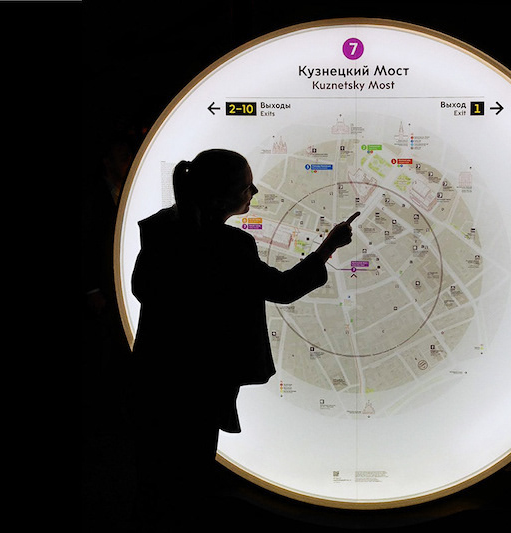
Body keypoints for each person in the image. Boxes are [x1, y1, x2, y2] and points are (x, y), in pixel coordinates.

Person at [129, 148, 358, 529]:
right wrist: (328, 248)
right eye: (246, 186)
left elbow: (142, 290)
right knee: (189, 480)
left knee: (156, 479)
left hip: (154, 377)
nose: (254, 191)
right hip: (200, 385)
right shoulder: (229, 246)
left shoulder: (161, 229)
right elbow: (283, 289)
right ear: (222, 198)